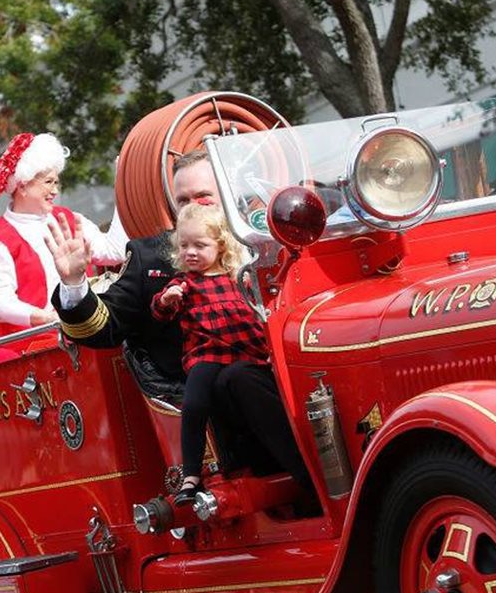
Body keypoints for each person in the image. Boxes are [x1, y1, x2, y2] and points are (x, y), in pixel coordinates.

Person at [50, 150, 312, 495]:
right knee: (237, 377)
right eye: (183, 199)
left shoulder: (275, 232)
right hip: (220, 395)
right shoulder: (155, 255)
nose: (194, 206)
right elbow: (103, 327)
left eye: (203, 196)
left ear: (228, 192)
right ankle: (314, 489)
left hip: (296, 365)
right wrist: (73, 283)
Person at [151, 202, 272, 505]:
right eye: (184, 245)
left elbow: (256, 313)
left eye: (199, 245)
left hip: (245, 349)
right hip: (207, 354)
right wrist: (167, 299)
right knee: (194, 405)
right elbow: (160, 310)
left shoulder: (236, 278)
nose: (190, 252)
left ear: (220, 245)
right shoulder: (184, 283)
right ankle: (191, 475)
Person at [0, 132, 128, 338]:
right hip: (31, 345)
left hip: (83, 330)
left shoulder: (67, 218)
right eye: (49, 182)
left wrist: (123, 188)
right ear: (22, 185)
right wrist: (46, 318)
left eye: (56, 182)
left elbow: (115, 251)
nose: (55, 190)